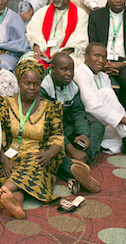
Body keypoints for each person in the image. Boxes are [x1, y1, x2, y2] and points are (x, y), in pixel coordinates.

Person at [0, 60, 63, 219]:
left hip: (39, 156)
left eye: (36, 84)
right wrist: (4, 159)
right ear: (18, 82)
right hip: (8, 156)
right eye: (27, 83)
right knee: (25, 178)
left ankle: (2, 193)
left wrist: (49, 154)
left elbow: (58, 138)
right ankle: (17, 204)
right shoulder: (3, 104)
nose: (32, 88)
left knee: (35, 163)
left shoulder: (51, 107)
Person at [38, 52, 102, 195]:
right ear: (53, 69)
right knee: (49, 151)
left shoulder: (73, 86)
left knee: (98, 127)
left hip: (66, 128)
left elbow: (78, 112)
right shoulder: (42, 87)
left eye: (71, 70)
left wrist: (83, 134)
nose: (69, 74)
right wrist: (71, 148)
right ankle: (73, 168)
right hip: (48, 132)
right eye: (64, 69)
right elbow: (49, 124)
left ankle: (78, 163)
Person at [75, 44, 126, 157]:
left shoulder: (103, 76)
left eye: (104, 57)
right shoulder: (80, 72)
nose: (101, 60)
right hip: (86, 119)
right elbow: (90, 105)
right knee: (106, 93)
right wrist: (125, 120)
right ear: (86, 56)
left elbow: (114, 104)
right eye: (97, 56)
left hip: (104, 119)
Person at [25, 0, 89, 65]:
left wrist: (62, 54)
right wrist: (37, 49)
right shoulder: (42, 12)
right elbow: (33, 33)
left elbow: (80, 40)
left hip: (68, 54)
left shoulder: (81, 14)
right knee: (27, 64)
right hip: (42, 53)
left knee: (68, 65)